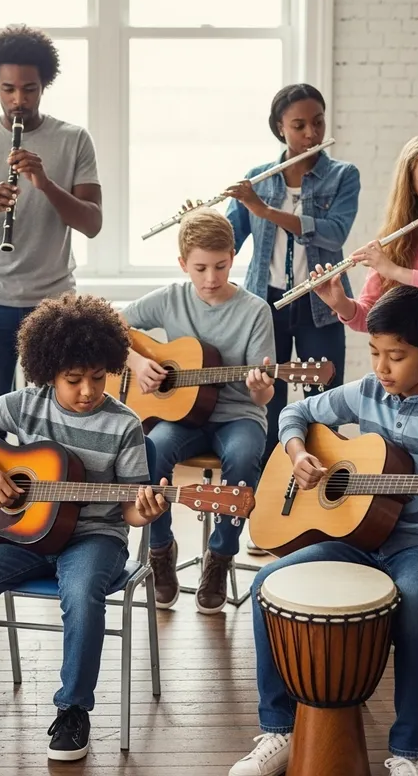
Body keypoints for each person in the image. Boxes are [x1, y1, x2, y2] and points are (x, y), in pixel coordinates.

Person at [0, 294, 165, 762]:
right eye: (73, 380)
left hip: (94, 537)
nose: (86, 390)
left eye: (97, 377)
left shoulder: (125, 425)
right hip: (26, 537)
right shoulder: (27, 405)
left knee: (83, 590)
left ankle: (72, 711)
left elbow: (128, 507)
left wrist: (143, 512)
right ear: (47, 371)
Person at [230, 285, 418, 776]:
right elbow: (295, 412)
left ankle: (410, 753)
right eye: (373, 353)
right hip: (356, 541)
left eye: (395, 357)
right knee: (267, 584)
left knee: (414, 604)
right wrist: (298, 452)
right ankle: (278, 731)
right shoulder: (368, 391)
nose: (381, 368)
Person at [119, 208, 275, 613]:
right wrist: (137, 364)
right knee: (149, 450)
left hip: (238, 415)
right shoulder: (171, 298)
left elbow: (262, 399)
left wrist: (262, 388)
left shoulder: (256, 310)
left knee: (242, 457)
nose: (211, 278)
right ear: (183, 263)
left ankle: (219, 557)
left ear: (233, 256)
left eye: (221, 266)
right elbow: (106, 323)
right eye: (200, 267)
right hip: (181, 417)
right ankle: (160, 551)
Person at [0, 24, 102, 405]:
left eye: (29, 89)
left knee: (55, 414)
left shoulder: (74, 139)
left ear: (44, 85)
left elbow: (92, 223)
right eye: (8, 89)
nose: (18, 100)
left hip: (54, 304)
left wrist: (44, 183)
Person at [224, 83, 360, 465]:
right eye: (299, 125)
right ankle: (272, 492)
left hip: (320, 302)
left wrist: (266, 211)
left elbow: (334, 232)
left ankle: (321, 492)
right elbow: (227, 240)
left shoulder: (343, 176)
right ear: (280, 128)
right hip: (265, 304)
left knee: (324, 402)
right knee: (268, 402)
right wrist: (197, 228)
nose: (311, 134)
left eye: (317, 123)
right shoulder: (259, 179)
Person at [312, 134, 418, 367]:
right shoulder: (394, 242)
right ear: (412, 188)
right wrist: (341, 304)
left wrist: (396, 271)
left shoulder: (390, 265)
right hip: (410, 377)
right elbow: (373, 318)